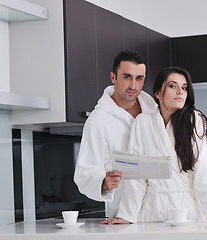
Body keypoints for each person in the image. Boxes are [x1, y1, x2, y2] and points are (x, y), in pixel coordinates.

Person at [101, 67, 207, 224]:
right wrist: (127, 215)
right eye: (173, 86)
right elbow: (136, 175)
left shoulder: (195, 121)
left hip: (187, 213)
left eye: (184, 87)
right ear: (158, 93)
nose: (180, 92)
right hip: (152, 212)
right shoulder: (143, 123)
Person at [73, 50, 157, 218]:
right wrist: (103, 182)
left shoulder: (154, 112)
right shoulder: (98, 121)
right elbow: (84, 174)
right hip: (122, 214)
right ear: (113, 78)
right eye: (127, 77)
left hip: (160, 209)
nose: (133, 85)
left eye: (139, 78)